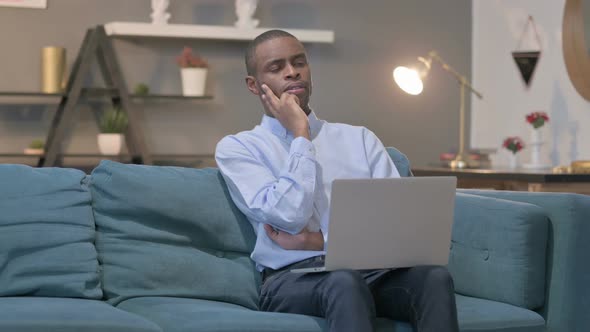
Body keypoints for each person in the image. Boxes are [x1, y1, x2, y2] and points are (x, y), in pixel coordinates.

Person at [215, 29, 459, 332]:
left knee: (434, 277)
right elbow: (289, 216)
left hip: (372, 272)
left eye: (299, 62)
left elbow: (397, 231)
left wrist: (319, 241)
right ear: (254, 85)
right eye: (277, 68)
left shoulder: (360, 139)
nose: (292, 72)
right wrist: (300, 135)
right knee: (344, 281)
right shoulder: (239, 148)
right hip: (291, 279)